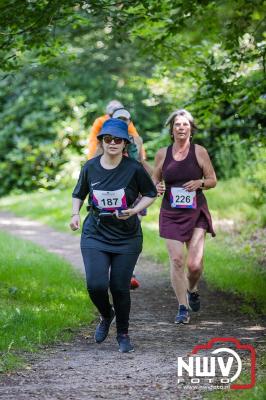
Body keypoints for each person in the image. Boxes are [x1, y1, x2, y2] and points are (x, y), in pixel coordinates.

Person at [70, 118, 157, 352]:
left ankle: (123, 334)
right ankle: (106, 315)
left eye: (118, 139)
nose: (112, 143)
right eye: (107, 139)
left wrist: (135, 211)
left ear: (125, 143)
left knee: (119, 287)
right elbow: (79, 192)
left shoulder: (134, 169)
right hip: (95, 233)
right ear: (102, 141)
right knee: (96, 285)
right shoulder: (90, 167)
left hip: (127, 237)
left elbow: (150, 193)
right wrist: (75, 214)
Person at [153, 109, 217, 324]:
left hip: (195, 211)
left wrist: (200, 183)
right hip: (171, 212)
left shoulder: (199, 152)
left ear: (191, 129)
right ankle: (182, 307)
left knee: (194, 265)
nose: (181, 128)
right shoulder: (163, 153)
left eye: (185, 125)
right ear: (172, 129)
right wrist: (157, 187)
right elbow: (154, 181)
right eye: (177, 125)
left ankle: (193, 289)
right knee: (177, 260)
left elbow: (212, 180)